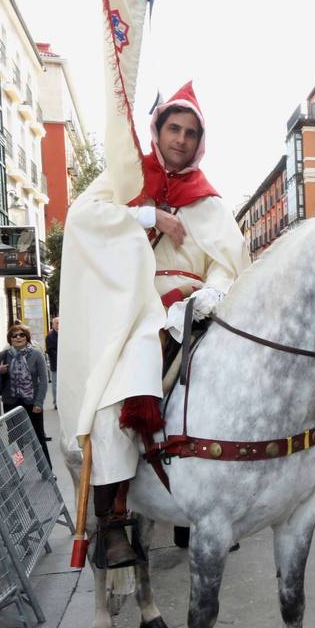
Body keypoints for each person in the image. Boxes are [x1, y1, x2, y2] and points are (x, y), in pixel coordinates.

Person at [59, 81, 249, 568]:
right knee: (118, 389)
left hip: (194, 304)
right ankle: (113, 522)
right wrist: (149, 216)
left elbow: (231, 259)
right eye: (174, 129)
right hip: (135, 304)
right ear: (157, 131)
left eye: (191, 132)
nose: (181, 139)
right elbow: (82, 218)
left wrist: (213, 292)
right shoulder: (124, 179)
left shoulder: (208, 201)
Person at [0, 323, 51, 465]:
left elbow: (44, 380)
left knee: (38, 437)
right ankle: (18, 471)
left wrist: (39, 402)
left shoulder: (36, 354)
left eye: (21, 334)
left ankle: (46, 469)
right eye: (14, 335)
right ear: (10, 339)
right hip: (11, 402)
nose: (18, 337)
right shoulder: (4, 355)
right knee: (15, 439)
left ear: (27, 337)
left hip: (32, 403)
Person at [45, 317, 59, 409]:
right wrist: (60, 357)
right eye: (57, 323)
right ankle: (56, 402)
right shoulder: (50, 336)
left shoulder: (65, 335)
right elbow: (50, 350)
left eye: (60, 323)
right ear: (53, 325)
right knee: (56, 384)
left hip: (65, 365)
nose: (58, 325)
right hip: (56, 364)